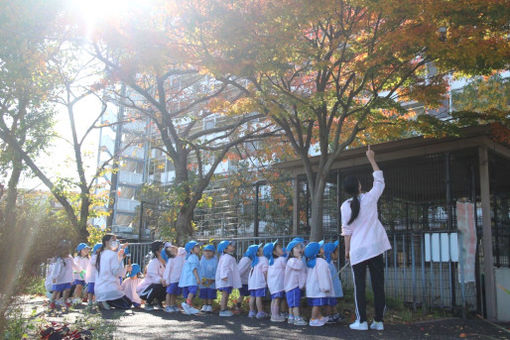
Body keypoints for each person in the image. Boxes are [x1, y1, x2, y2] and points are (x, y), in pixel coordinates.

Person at [341, 145, 390, 331]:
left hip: (358, 251)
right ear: (360, 186)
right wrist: (371, 158)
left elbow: (347, 231)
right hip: (375, 248)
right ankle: (379, 321)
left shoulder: (345, 206)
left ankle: (361, 321)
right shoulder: (369, 199)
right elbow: (379, 180)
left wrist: (347, 251)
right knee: (379, 286)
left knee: (359, 287)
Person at [94, 234, 132, 310]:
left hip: (99, 289)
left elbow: (110, 266)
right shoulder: (112, 254)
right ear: (106, 242)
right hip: (110, 289)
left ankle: (102, 300)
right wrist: (125, 269)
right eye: (114, 240)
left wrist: (120, 256)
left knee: (127, 302)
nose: (116, 242)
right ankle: (106, 301)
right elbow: (115, 272)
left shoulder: (100, 254)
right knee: (127, 305)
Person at [304, 242, 332, 327]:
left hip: (310, 289)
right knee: (317, 305)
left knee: (316, 305)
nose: (323, 248)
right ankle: (313, 319)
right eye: (321, 248)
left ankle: (319, 317)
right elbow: (323, 276)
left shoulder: (309, 263)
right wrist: (325, 287)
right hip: (318, 289)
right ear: (318, 252)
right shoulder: (321, 262)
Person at [137, 241, 167, 311]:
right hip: (147, 288)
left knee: (170, 285)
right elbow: (153, 276)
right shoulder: (153, 262)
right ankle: (148, 302)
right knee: (157, 285)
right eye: (162, 248)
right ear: (157, 251)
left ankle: (159, 302)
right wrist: (161, 280)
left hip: (160, 284)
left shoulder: (165, 262)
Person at [215, 240, 242, 317]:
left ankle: (224, 309)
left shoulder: (227, 257)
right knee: (225, 294)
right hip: (225, 279)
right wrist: (224, 276)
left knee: (226, 294)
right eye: (230, 245)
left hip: (227, 279)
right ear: (225, 249)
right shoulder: (227, 257)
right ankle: (223, 309)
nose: (232, 246)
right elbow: (224, 267)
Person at [284, 240, 307, 326]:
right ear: (291, 251)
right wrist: (300, 258)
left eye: (300, 247)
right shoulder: (292, 261)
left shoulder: (294, 260)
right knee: (295, 304)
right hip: (293, 286)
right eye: (297, 248)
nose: (299, 249)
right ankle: (297, 318)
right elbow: (299, 266)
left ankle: (291, 317)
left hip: (293, 286)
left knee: (292, 304)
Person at [49, 240, 77, 309]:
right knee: (56, 291)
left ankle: (64, 301)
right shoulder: (59, 259)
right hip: (59, 278)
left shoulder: (69, 258)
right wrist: (54, 277)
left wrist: (80, 270)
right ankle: (52, 302)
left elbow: (74, 265)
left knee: (67, 290)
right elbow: (56, 269)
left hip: (67, 278)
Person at [264, 240, 286, 323]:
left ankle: (273, 314)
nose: (282, 249)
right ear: (274, 252)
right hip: (278, 284)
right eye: (279, 248)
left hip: (272, 285)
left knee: (274, 300)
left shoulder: (271, 262)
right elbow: (287, 267)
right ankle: (275, 316)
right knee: (277, 300)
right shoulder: (281, 259)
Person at [322, 241, 343, 323]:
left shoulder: (330, 263)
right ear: (331, 254)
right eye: (336, 252)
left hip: (332, 288)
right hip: (330, 288)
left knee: (333, 301)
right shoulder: (327, 265)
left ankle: (335, 314)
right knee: (329, 302)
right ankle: (328, 316)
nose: (338, 254)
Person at [178, 240, 201, 315]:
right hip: (192, 279)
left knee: (189, 292)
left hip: (186, 279)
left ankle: (189, 307)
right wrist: (197, 278)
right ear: (191, 250)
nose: (199, 248)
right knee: (193, 291)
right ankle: (186, 304)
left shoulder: (189, 257)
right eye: (196, 247)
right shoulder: (194, 257)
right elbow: (194, 268)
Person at [163, 243, 186, 313]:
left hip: (178, 279)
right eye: (171, 250)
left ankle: (172, 305)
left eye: (173, 248)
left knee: (174, 293)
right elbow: (167, 270)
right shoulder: (171, 260)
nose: (173, 249)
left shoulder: (180, 256)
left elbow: (184, 250)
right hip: (171, 280)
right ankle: (167, 305)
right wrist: (166, 280)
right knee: (169, 293)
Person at [247, 243, 268, 319]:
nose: (262, 248)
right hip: (259, 282)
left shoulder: (254, 261)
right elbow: (265, 271)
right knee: (259, 297)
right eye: (260, 248)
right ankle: (260, 312)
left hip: (252, 282)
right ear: (258, 252)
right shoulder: (264, 259)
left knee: (252, 297)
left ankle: (251, 311)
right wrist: (267, 280)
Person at [199, 244, 218, 313]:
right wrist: (200, 278)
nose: (207, 253)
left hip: (211, 280)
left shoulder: (215, 260)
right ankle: (204, 304)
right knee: (204, 292)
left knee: (210, 292)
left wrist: (213, 279)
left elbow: (216, 270)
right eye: (206, 251)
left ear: (213, 253)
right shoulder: (202, 259)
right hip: (203, 280)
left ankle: (209, 305)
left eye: (210, 251)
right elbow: (200, 269)